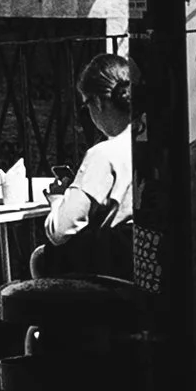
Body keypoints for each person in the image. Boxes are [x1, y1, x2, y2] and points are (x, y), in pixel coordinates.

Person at [37, 52, 136, 283]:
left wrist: (57, 200)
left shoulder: (103, 154)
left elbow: (61, 230)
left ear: (98, 102)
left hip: (110, 274)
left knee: (41, 259)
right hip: (139, 264)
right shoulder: (148, 145)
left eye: (86, 105)